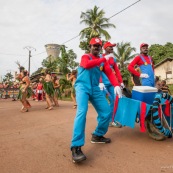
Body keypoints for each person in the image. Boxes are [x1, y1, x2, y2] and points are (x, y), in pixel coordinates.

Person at [70, 37, 122, 163]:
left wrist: (116, 85)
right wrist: (103, 59)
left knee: (106, 112)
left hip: (94, 88)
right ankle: (76, 146)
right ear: (90, 47)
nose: (97, 48)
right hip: (82, 87)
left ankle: (97, 135)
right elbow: (87, 65)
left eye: (99, 46)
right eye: (94, 45)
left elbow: (110, 73)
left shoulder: (102, 62)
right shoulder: (85, 57)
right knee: (82, 112)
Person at [99, 41, 124, 128]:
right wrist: (100, 82)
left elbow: (116, 71)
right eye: (110, 47)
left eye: (112, 47)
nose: (112, 48)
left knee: (114, 100)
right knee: (101, 103)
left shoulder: (113, 59)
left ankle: (111, 120)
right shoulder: (100, 57)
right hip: (102, 85)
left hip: (110, 84)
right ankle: (101, 122)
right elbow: (98, 71)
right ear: (105, 48)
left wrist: (120, 82)